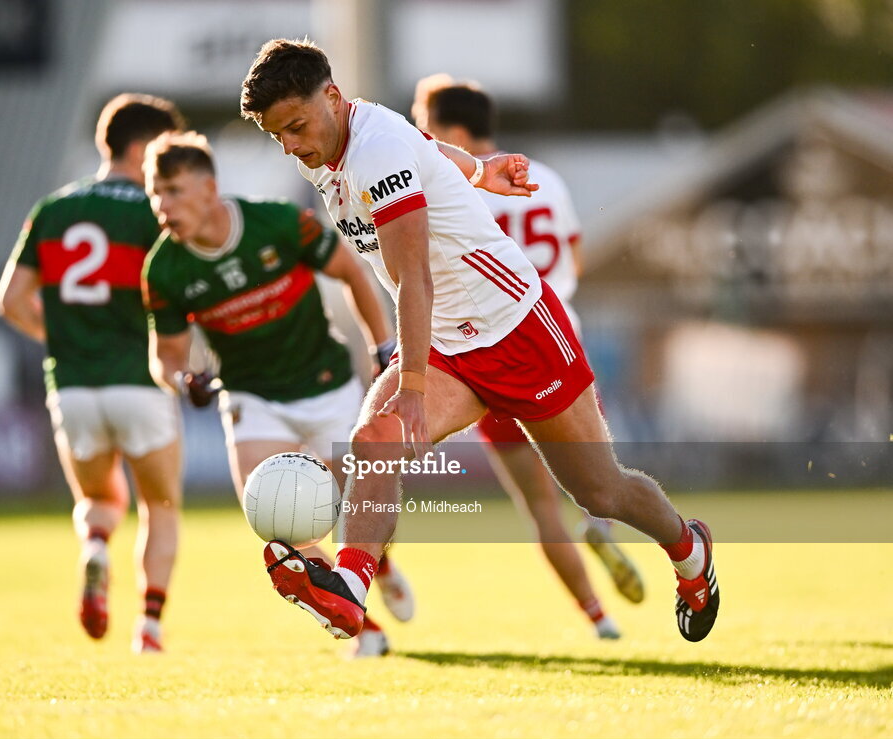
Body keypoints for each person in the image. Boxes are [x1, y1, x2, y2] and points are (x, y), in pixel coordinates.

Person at [239, 38, 721, 645]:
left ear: (331, 97)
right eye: (278, 135)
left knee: (601, 490)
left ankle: (688, 548)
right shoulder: (335, 141)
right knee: (376, 438)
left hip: (518, 329)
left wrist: (410, 386)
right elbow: (428, 146)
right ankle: (351, 590)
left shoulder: (376, 152)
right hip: (449, 344)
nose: (291, 145)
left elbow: (413, 278)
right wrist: (478, 170)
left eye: (296, 127)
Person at [141, 130, 415, 657]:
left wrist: (383, 345)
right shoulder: (165, 268)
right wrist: (180, 381)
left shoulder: (278, 221)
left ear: (208, 187)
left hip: (326, 384)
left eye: (173, 190)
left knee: (361, 507)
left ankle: (380, 564)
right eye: (156, 194)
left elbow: (351, 275)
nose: (163, 205)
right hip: (251, 397)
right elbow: (166, 356)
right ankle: (360, 618)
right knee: (276, 519)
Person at [412, 76, 646, 638]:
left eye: (426, 124)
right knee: (598, 479)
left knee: (539, 504)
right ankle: (601, 522)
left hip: (484, 352)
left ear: (458, 133)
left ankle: (599, 620)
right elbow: (576, 259)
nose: (419, 136)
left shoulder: (447, 181)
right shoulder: (546, 178)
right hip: (558, 341)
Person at [0, 93, 186, 653]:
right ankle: (148, 627)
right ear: (142, 147)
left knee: (100, 503)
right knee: (161, 506)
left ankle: (96, 550)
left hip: (73, 388)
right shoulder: (155, 213)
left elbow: (10, 300)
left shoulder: (53, 208)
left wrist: (63, 339)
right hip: (140, 383)